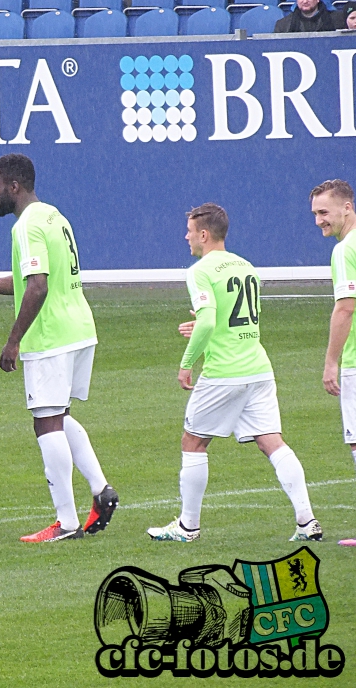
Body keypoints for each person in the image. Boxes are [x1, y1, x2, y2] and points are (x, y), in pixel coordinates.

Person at [0, 155, 117, 544]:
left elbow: (38, 287)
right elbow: (32, 280)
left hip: (51, 335)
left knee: (45, 421)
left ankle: (66, 522)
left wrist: (13, 341)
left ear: (14, 187)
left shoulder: (26, 225)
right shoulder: (54, 216)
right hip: (78, 328)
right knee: (59, 415)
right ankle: (101, 489)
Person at [148, 203, 321, 543]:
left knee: (193, 441)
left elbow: (212, 320)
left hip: (224, 371)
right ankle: (307, 521)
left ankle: (187, 527)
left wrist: (187, 362)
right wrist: (201, 325)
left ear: (203, 234)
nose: (186, 237)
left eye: (189, 231)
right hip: (257, 367)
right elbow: (235, 319)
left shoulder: (200, 270)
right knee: (272, 441)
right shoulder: (246, 266)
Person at [310, 179, 356, 548]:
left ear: (346, 208)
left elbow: (345, 308)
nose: (319, 221)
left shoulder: (345, 250)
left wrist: (330, 362)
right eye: (315, 214)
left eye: (324, 213)